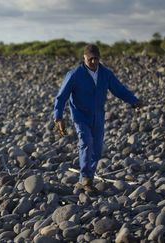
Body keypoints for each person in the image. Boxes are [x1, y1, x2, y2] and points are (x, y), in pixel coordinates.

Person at [53, 44, 143, 192]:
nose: (94, 62)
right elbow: (61, 97)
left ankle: (89, 176)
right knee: (86, 142)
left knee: (97, 149)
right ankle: (85, 179)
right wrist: (58, 117)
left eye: (96, 59)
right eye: (90, 59)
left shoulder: (105, 74)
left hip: (98, 116)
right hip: (80, 116)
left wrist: (133, 100)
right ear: (84, 58)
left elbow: (119, 89)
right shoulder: (74, 75)